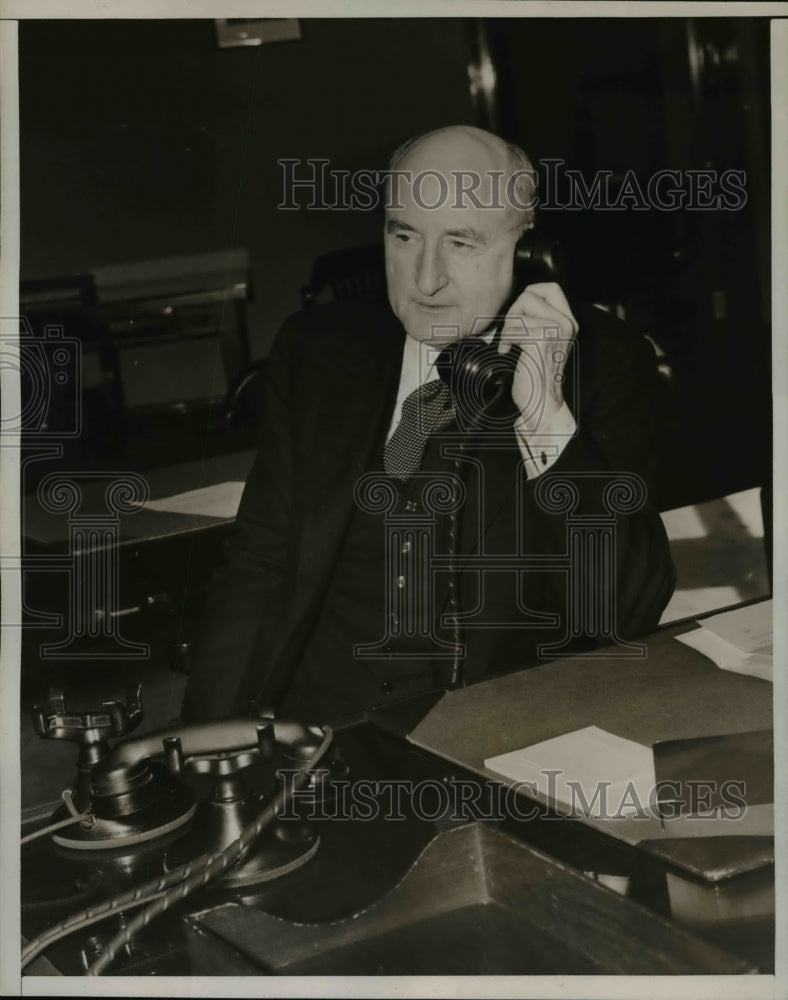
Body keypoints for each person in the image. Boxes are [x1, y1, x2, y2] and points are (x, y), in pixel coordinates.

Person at [181, 125, 675, 724]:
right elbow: (259, 561)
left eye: (461, 243)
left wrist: (543, 409)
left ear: (527, 254)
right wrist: (209, 738)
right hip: (315, 728)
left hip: (489, 740)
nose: (425, 279)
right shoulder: (317, 349)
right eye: (405, 236)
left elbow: (626, 610)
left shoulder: (605, 365)